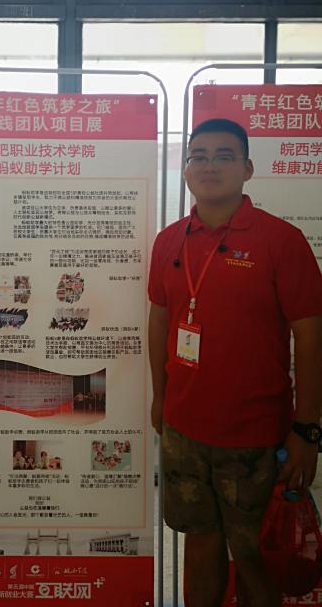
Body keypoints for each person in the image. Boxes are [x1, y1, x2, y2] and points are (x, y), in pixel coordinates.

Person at [148, 118, 322, 607]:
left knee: (254, 556)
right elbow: (159, 320)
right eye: (198, 156)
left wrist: (308, 429)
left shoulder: (280, 240)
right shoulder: (170, 240)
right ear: (186, 169)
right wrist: (161, 398)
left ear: (247, 168)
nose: (209, 166)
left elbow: (311, 337)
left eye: (224, 156)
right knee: (200, 543)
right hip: (183, 429)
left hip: (256, 435)